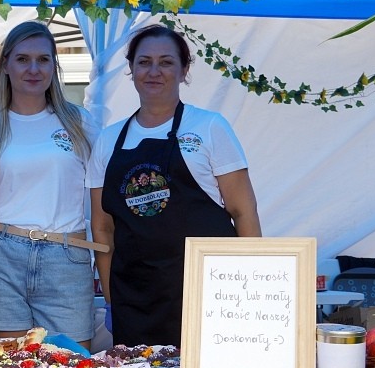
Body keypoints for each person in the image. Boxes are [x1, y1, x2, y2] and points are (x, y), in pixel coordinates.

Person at [89, 23, 261, 347]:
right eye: (144, 62)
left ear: (184, 70)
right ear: (131, 69)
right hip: (135, 300)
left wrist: (251, 289)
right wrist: (113, 301)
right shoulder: (108, 140)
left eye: (166, 62)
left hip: (209, 295)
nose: (154, 71)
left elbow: (244, 211)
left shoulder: (210, 127)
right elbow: (102, 229)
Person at [0, 22, 101, 348]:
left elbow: (102, 197)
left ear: (54, 66)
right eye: (23, 59)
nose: (34, 69)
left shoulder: (79, 121)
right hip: (1, 255)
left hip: (67, 257)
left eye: (43, 60)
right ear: (5, 65)